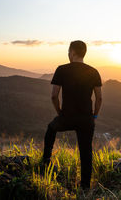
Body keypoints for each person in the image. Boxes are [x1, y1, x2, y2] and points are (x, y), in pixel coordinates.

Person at [42, 40, 103, 191]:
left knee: (51, 128)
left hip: (67, 116)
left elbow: (54, 96)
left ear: (73, 52)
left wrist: (60, 113)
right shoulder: (93, 71)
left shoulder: (62, 69)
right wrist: (94, 116)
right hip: (86, 119)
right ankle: (85, 187)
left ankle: (46, 161)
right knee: (86, 151)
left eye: (69, 52)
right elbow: (99, 98)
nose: (68, 54)